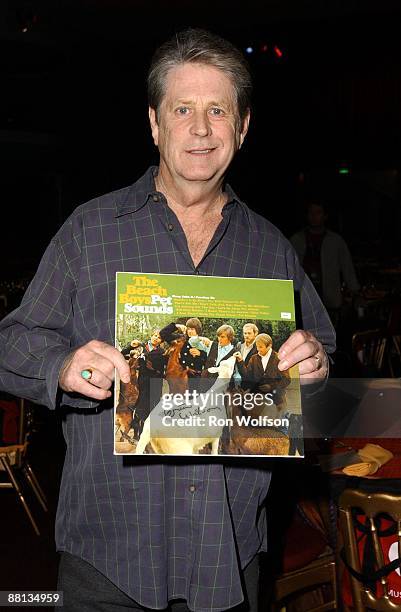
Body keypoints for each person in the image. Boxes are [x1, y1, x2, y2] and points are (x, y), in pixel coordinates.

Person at [0, 28, 335, 612]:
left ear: (243, 125)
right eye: (183, 109)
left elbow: (322, 366)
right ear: (155, 124)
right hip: (108, 561)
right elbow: (10, 342)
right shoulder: (90, 230)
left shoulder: (272, 250)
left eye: (217, 110)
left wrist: (315, 369)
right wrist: (61, 365)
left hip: (228, 557)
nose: (201, 129)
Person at [290, 199, 360, 323]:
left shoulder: (336, 241)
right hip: (304, 299)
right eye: (311, 213)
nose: (314, 217)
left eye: (318, 213)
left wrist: (355, 292)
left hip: (330, 300)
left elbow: (347, 268)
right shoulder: (297, 240)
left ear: (325, 216)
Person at [235, 333, 291, 413]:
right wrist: (240, 361)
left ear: (269, 346)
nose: (258, 349)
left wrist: (271, 386)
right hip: (257, 394)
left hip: (275, 396)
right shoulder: (254, 358)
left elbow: (286, 379)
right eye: (257, 346)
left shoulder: (279, 359)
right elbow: (246, 375)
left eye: (260, 347)